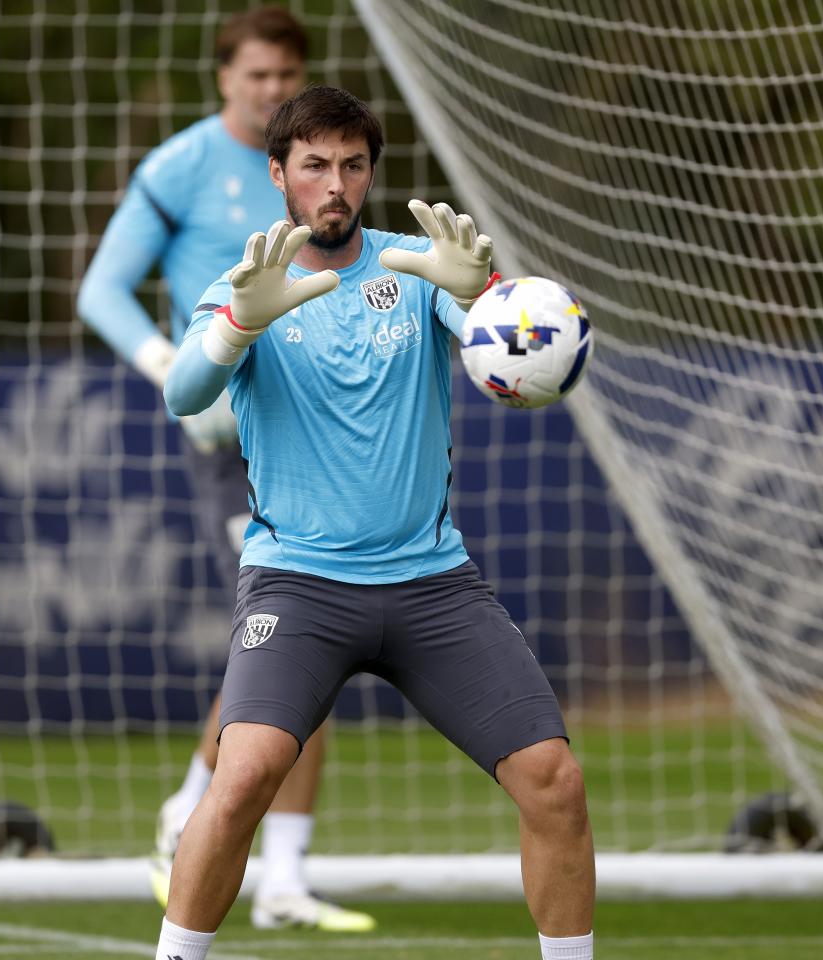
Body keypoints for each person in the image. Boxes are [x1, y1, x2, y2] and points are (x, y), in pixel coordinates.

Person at [154, 84, 596, 960]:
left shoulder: (416, 265)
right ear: (278, 173)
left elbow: (504, 346)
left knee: (555, 780)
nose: (335, 185)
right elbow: (182, 394)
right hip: (297, 586)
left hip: (432, 585)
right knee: (240, 779)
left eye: (353, 166)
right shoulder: (248, 284)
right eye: (315, 165)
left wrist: (485, 293)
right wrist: (240, 322)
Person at [76, 7, 374, 933]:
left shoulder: (320, 169)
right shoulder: (179, 167)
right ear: (224, 79)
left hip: (321, 433)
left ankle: (274, 872)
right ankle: (208, 821)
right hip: (230, 441)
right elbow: (101, 289)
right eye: (256, 75)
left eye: (286, 74)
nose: (272, 89)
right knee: (298, 636)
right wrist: (169, 362)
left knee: (309, 646)